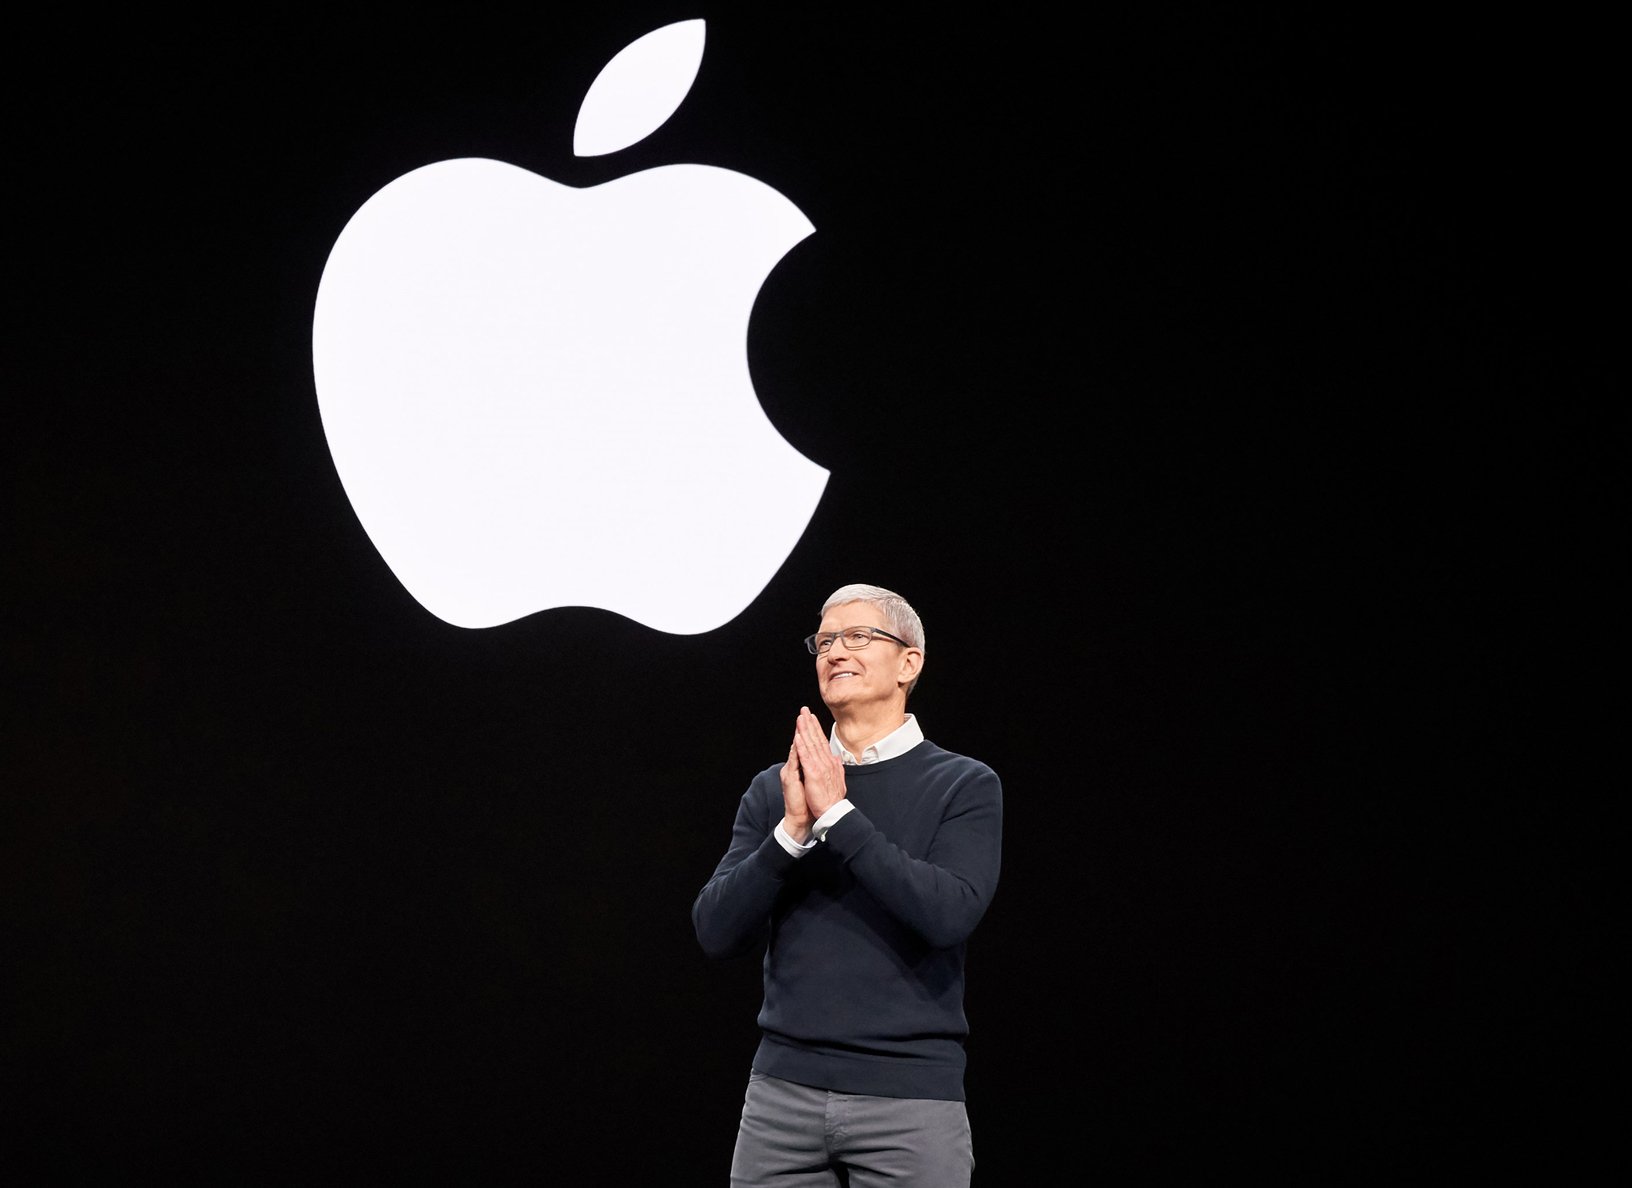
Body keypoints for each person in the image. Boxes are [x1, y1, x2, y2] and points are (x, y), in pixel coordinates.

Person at [693, 583, 1003, 1187]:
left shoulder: (964, 784)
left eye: (858, 636)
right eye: (825, 641)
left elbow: (947, 915)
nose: (836, 652)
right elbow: (715, 931)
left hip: (910, 1101)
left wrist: (839, 815)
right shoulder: (777, 788)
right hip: (780, 1098)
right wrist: (790, 835)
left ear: (909, 662)